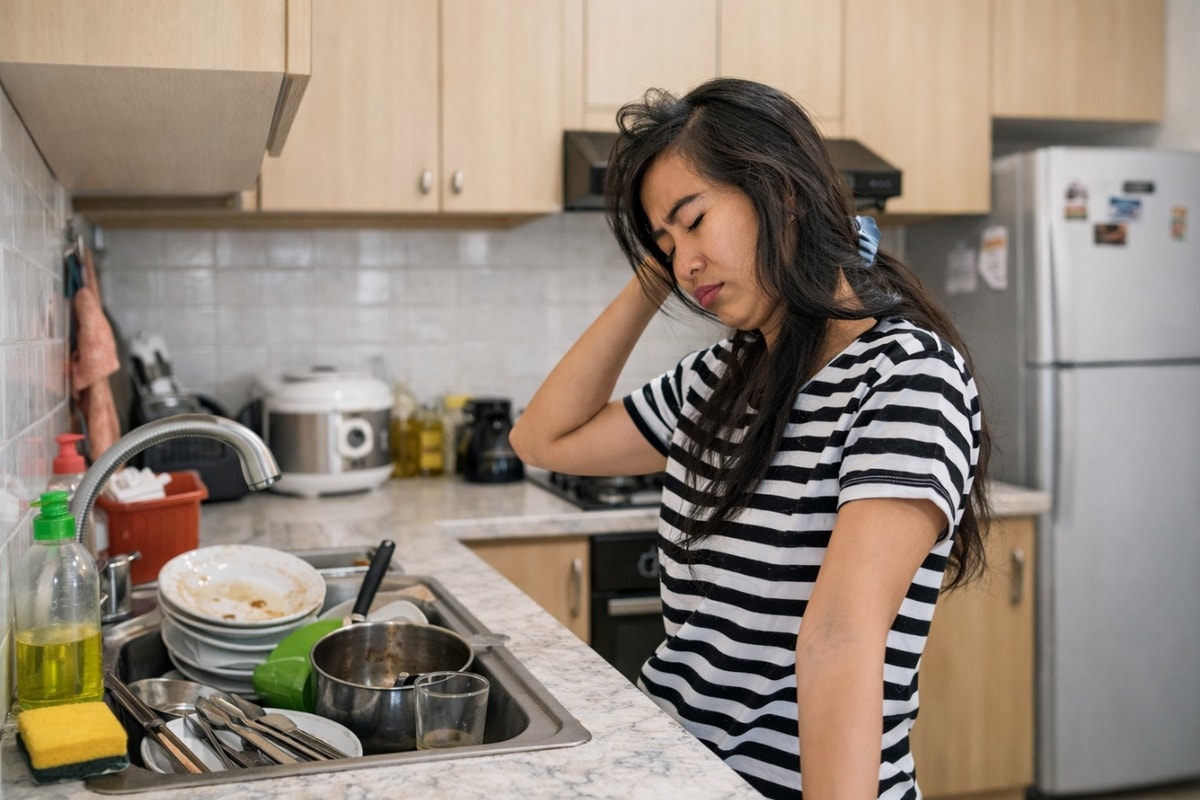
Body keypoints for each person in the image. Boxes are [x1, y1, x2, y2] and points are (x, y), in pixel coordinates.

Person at [509, 77, 991, 800]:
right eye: (666, 244)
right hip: (673, 775)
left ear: (781, 192)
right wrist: (659, 261)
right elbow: (542, 438)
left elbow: (841, 641)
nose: (684, 263)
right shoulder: (718, 381)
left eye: (695, 220)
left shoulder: (907, 376)